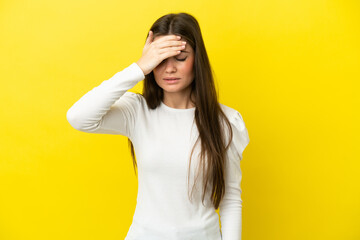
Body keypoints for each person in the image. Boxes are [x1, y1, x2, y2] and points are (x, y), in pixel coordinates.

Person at [66, 12, 249, 240]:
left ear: (197, 59)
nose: (169, 69)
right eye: (160, 59)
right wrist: (139, 68)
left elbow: (230, 198)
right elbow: (78, 117)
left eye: (180, 58)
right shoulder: (137, 111)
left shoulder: (225, 122)